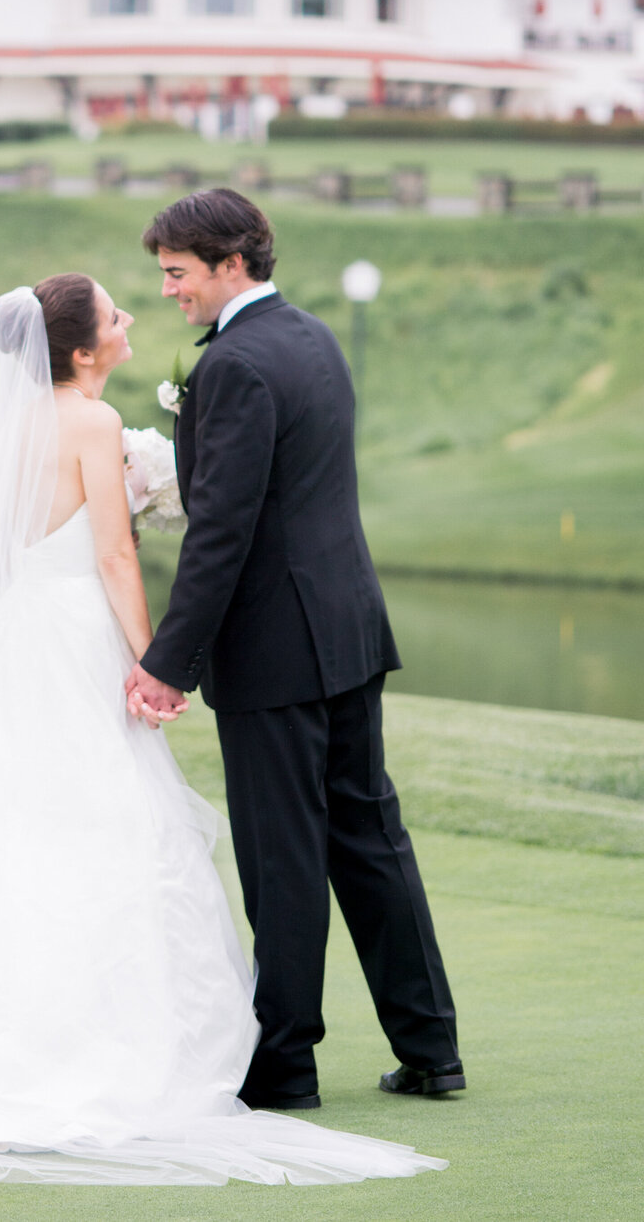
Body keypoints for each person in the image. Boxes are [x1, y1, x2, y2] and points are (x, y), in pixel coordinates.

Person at [0, 277, 446, 1185]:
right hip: (73, 642)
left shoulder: (7, 427)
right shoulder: (94, 426)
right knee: (99, 831)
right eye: (114, 315)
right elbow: (109, 554)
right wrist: (154, 664)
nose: (133, 317)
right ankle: (92, 1050)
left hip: (10, 646)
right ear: (80, 350)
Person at [129, 188, 464, 1111]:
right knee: (370, 837)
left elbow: (221, 534)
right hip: (349, 630)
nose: (169, 291)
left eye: (178, 273)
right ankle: (432, 1047)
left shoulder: (234, 365)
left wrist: (166, 662)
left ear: (230, 261)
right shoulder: (314, 336)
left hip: (277, 649)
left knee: (283, 858)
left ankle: (283, 1066)